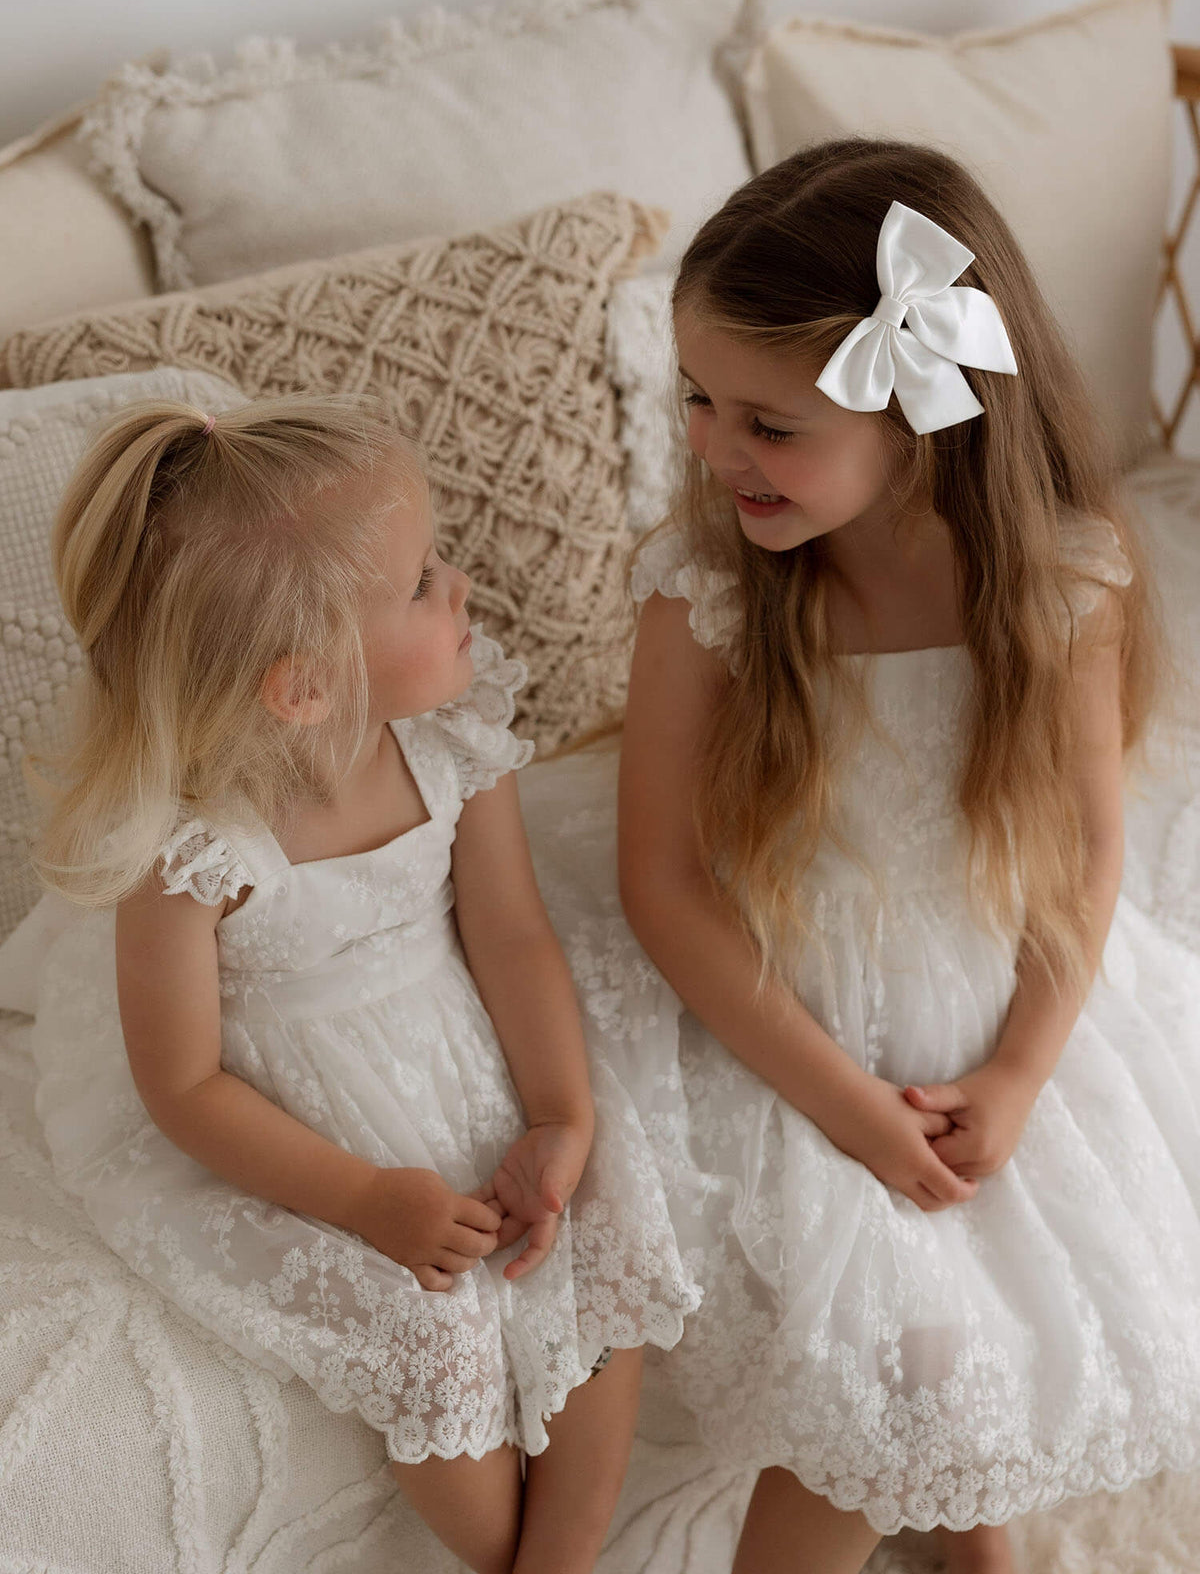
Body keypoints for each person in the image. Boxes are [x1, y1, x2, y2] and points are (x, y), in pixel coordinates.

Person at [580, 140, 1200, 1573]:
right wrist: (849, 1105)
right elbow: (662, 886)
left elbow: (1088, 861)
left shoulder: (1057, 590)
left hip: (996, 998)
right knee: (877, 1358)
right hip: (785, 1020)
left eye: (772, 424)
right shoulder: (705, 604)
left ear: (924, 417)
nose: (717, 451)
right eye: (697, 401)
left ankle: (966, 1542)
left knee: (966, 1316)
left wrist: (1021, 1069)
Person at [0, 396, 698, 1574]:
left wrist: (559, 1113)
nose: (462, 584)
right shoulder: (193, 853)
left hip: (460, 1059)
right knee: (430, 1339)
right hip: (308, 1135)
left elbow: (514, 936)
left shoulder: (452, 748)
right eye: (424, 581)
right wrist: (369, 1199)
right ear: (304, 687)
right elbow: (183, 1083)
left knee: (600, 1240)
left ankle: (564, 1560)